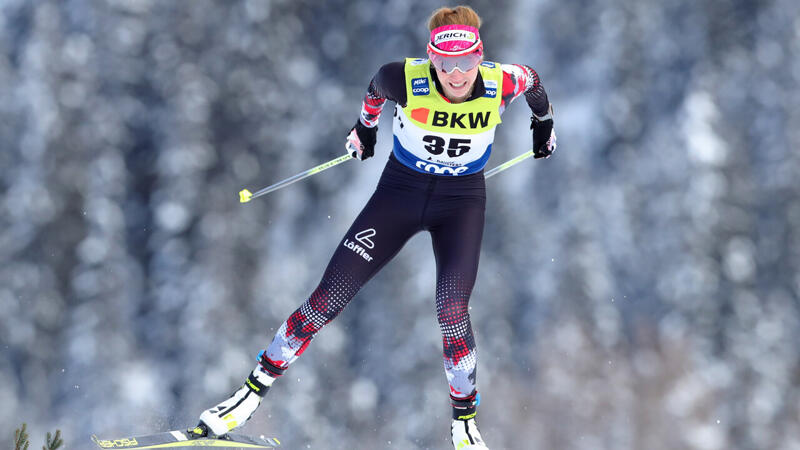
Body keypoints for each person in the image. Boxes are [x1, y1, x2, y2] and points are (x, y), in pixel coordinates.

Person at [191, 6, 556, 450]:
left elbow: (535, 82)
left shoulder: (503, 81)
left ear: (479, 58)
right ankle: (247, 396)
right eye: (444, 63)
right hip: (399, 195)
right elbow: (374, 90)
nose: (455, 75)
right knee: (327, 297)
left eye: (465, 63)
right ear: (431, 59)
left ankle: (464, 422)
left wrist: (544, 123)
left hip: (460, 204)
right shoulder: (403, 78)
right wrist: (365, 128)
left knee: (452, 310)